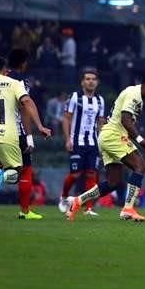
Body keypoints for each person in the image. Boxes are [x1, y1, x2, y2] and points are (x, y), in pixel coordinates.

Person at [65, 73, 145, 222]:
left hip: (108, 136)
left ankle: (77, 201)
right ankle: (128, 209)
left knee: (113, 182)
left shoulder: (138, 98)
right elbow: (125, 119)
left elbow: (126, 121)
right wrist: (141, 140)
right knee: (140, 165)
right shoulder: (134, 94)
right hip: (114, 135)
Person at [0, 55, 51, 226]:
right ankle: (4, 176)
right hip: (6, 134)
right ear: (4, 70)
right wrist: (40, 126)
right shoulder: (13, 83)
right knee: (18, 171)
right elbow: (26, 103)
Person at [58, 68, 106, 217]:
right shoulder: (74, 97)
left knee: (92, 175)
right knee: (75, 174)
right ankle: (64, 197)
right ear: (82, 82)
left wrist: (102, 143)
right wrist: (67, 139)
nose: (91, 81)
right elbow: (66, 118)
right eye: (87, 79)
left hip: (93, 143)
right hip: (76, 142)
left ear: (97, 82)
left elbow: (101, 123)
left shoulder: (100, 100)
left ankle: (89, 208)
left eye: (93, 79)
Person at [6, 48, 44, 220]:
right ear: (23, 63)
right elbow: (24, 109)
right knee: (26, 170)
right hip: (16, 131)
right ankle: (25, 211)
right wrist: (29, 137)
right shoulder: (20, 81)